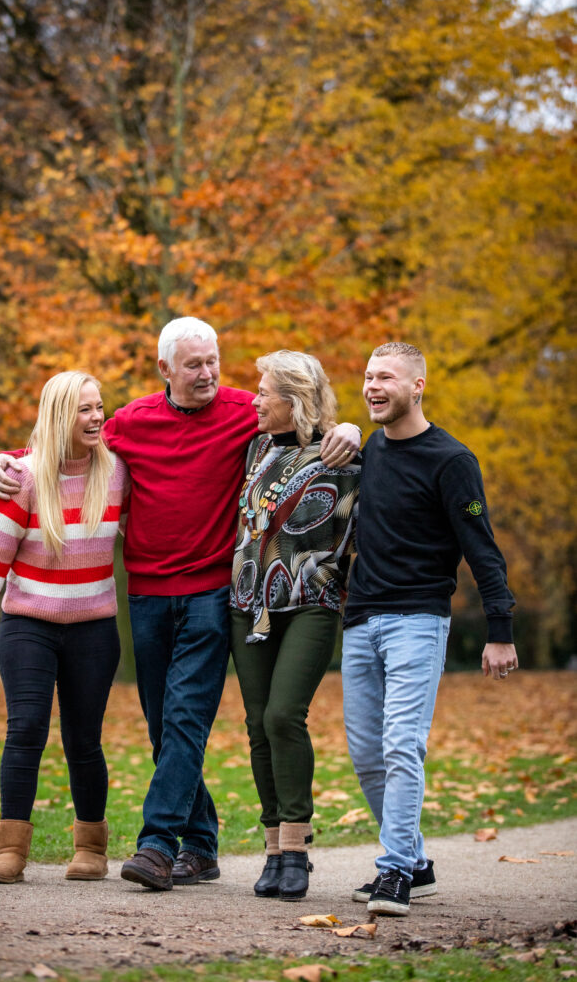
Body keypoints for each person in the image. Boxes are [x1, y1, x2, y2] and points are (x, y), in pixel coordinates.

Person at [0, 318, 363, 890]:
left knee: (186, 720)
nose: (208, 373)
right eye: (194, 365)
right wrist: (6, 461)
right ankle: (204, 843)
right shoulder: (131, 423)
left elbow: (311, 424)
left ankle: (158, 844)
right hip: (146, 595)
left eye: (213, 360)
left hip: (213, 594)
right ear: (165, 369)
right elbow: (66, 441)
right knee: (164, 727)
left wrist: (354, 430)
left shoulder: (248, 412)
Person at [341, 342, 518, 917]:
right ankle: (416, 864)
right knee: (367, 753)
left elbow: (481, 549)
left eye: (385, 377)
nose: (372, 386)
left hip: (418, 620)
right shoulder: (371, 448)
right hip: (361, 619)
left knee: (401, 745)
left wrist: (501, 628)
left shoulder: (452, 460)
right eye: (368, 376)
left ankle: (393, 871)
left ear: (418, 385)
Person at [0, 371, 129, 884]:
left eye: (99, 407)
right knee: (27, 728)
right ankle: (11, 847)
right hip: (28, 623)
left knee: (84, 738)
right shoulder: (22, 476)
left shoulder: (119, 472)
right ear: (59, 415)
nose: (97, 417)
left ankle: (91, 848)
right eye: (84, 409)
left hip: (93, 629)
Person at [230, 351, 360, 901]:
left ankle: (298, 847)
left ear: (295, 399)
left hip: (312, 600)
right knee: (258, 723)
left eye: (264, 393)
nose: (255, 401)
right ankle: (274, 850)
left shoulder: (343, 453)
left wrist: (352, 427)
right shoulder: (253, 446)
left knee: (285, 714)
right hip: (246, 602)